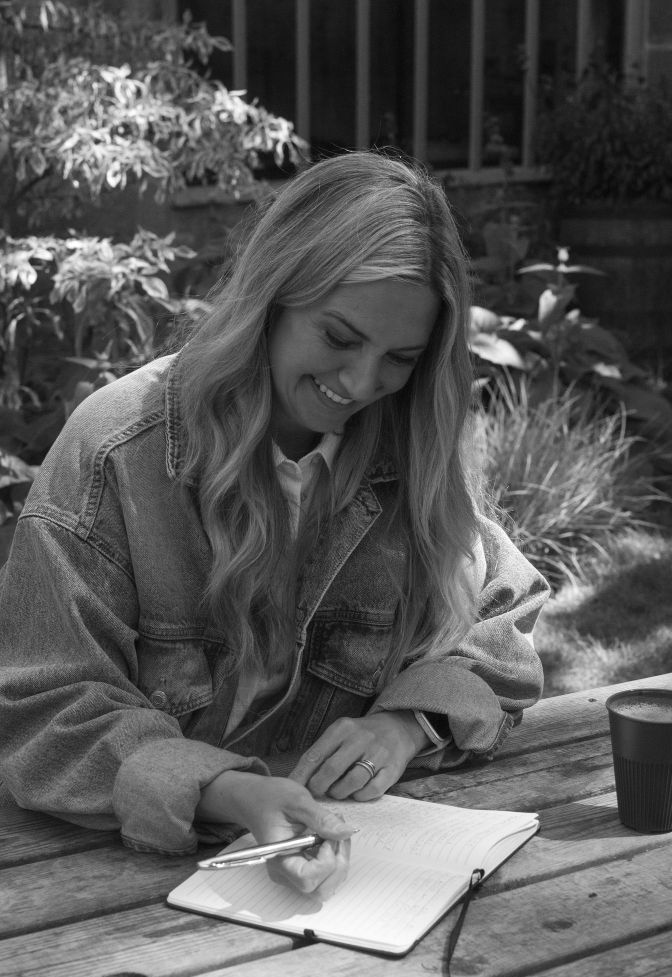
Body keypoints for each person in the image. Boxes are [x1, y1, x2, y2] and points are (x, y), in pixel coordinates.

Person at [0, 151, 550, 899]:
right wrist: (230, 791)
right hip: (108, 888)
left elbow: (502, 611)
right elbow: (44, 709)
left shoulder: (405, 448)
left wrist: (407, 725)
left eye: (400, 358)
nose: (360, 385)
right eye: (339, 338)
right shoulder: (115, 452)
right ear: (272, 296)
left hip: (356, 879)